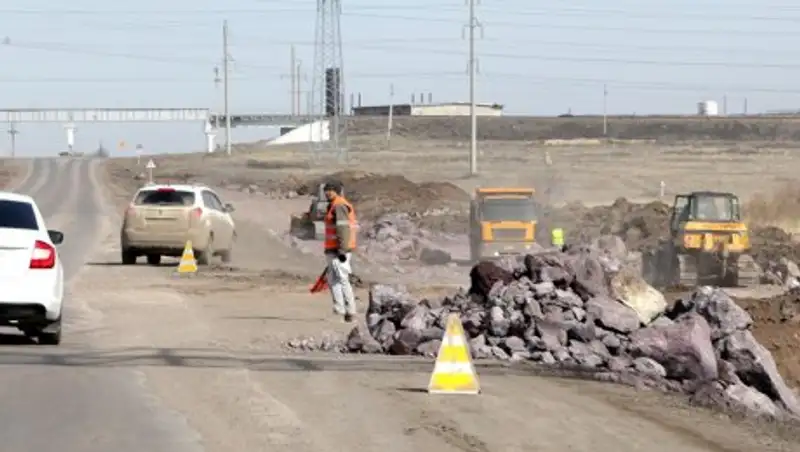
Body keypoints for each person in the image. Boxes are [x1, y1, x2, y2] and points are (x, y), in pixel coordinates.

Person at [322, 180, 358, 322]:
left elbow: (343, 229)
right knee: (333, 279)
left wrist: (342, 250)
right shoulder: (333, 205)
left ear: (335, 191)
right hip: (332, 249)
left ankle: (350, 311)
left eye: (329, 190)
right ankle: (339, 308)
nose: (326, 193)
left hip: (339, 250)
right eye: (325, 190)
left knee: (342, 279)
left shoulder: (339, 206)